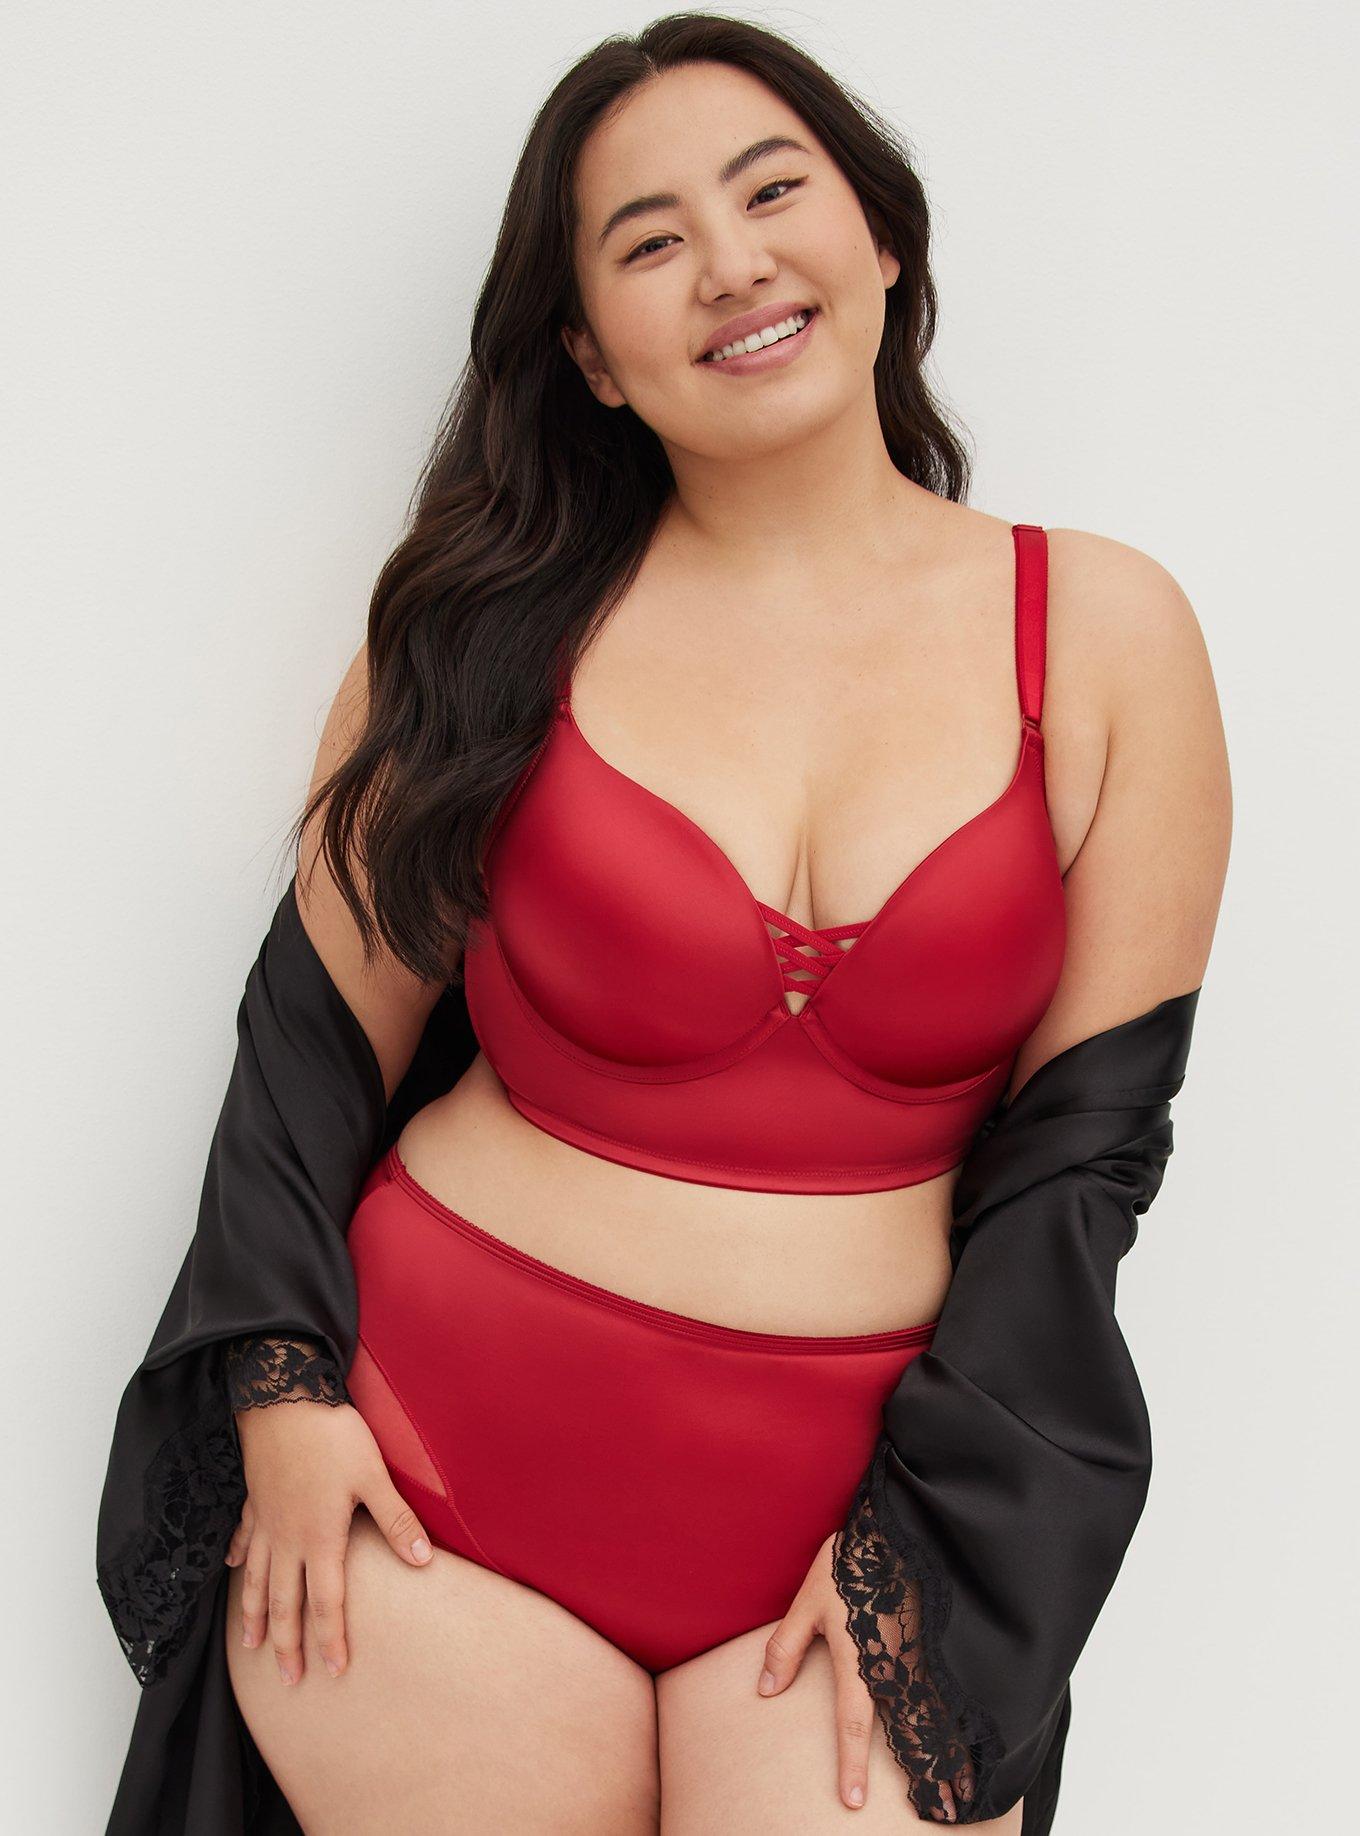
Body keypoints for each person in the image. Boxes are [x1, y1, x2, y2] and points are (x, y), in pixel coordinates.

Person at [98, 16, 1229, 1833]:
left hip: (860, 1534)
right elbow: (308, 1043)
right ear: (590, 359)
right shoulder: (483, 629)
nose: (730, 264)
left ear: (881, 235)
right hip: (428, 1480)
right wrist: (285, 1393)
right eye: (647, 241)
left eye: (774, 192)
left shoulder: (1104, 635)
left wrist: (942, 1551)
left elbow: (1081, 1164)